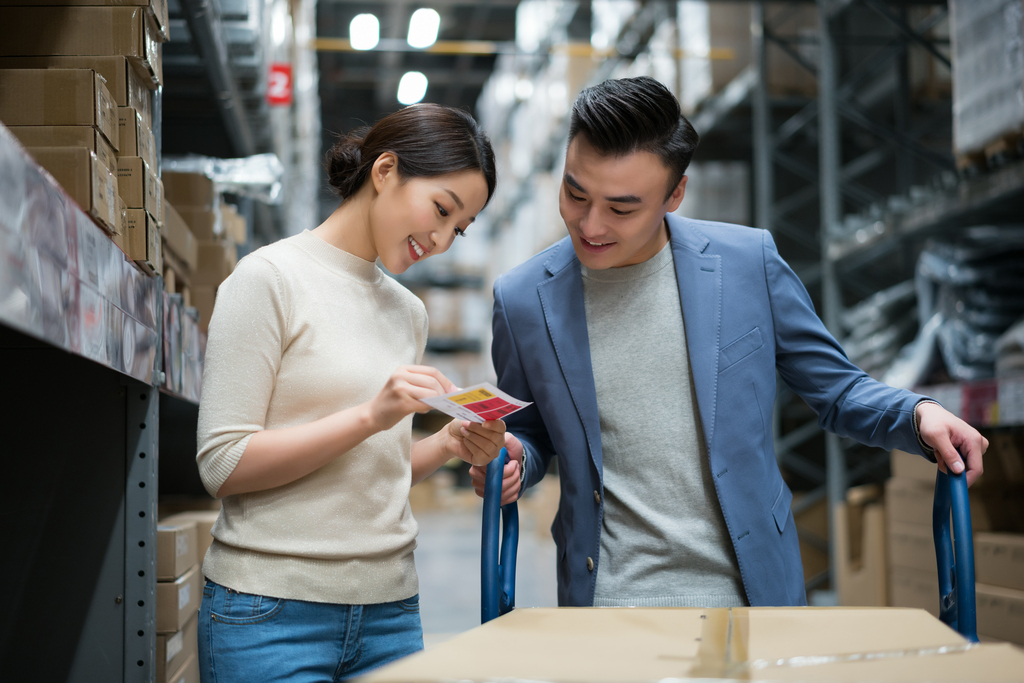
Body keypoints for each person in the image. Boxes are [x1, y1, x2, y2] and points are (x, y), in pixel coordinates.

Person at [472, 77, 987, 608]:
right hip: (608, 603)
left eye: (621, 209)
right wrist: (514, 460)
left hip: (751, 597)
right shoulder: (522, 300)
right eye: (574, 193)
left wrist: (918, 413)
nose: (590, 224)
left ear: (675, 195)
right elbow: (530, 434)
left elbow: (836, 391)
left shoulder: (747, 264)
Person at [195, 103, 507, 681]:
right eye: (441, 210)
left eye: (457, 229)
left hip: (392, 615)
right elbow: (223, 464)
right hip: (271, 618)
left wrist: (447, 444)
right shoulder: (268, 279)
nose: (440, 240)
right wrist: (371, 414)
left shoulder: (407, 312)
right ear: (385, 171)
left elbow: (369, 473)